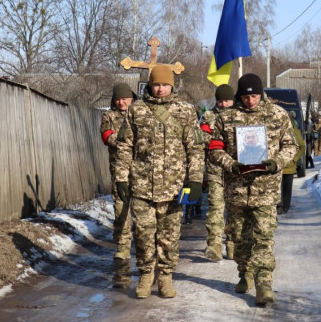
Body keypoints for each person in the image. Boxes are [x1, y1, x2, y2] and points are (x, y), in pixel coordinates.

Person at [114, 65, 205, 299]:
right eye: (157, 84)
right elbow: (125, 146)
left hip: (174, 187)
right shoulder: (136, 110)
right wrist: (122, 178)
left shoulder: (185, 111)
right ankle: (145, 275)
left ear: (172, 86)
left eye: (165, 84)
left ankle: (165, 276)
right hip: (142, 185)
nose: (161, 88)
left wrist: (194, 180)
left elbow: (195, 148)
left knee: (169, 236)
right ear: (150, 85)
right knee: (143, 234)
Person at [209, 73, 298, 305]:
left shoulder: (278, 115)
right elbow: (215, 148)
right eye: (246, 96)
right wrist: (231, 164)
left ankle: (264, 284)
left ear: (261, 94)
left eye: (255, 96)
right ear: (240, 95)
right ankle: (244, 273)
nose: (251, 101)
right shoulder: (226, 118)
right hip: (237, 189)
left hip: (265, 190)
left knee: (264, 238)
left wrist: (276, 162)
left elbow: (291, 146)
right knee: (239, 237)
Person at [199, 84, 235, 261]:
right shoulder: (208, 117)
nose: (223, 104)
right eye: (220, 101)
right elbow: (203, 138)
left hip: (236, 171)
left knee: (235, 209)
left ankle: (233, 244)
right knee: (215, 207)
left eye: (227, 100)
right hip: (215, 170)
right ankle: (214, 244)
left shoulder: (240, 116)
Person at [99, 83, 133, 264]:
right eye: (118, 99)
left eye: (124, 98)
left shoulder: (139, 114)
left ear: (131, 98)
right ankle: (123, 244)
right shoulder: (109, 116)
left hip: (141, 169)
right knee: (121, 205)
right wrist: (127, 140)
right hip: (119, 167)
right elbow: (106, 136)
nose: (121, 102)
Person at [279, 113, 305, 214]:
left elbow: (302, 146)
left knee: (286, 188)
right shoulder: (276, 130)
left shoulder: (294, 131)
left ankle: (285, 206)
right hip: (277, 165)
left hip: (289, 166)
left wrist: (294, 159)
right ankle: (278, 206)